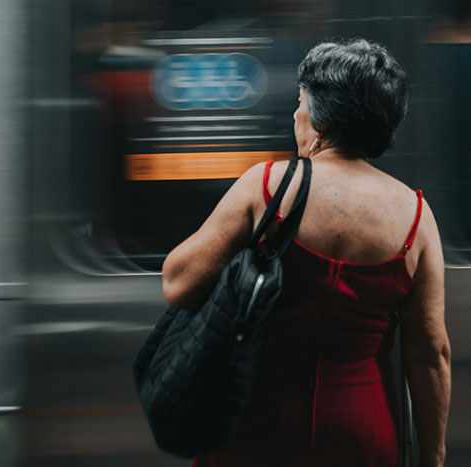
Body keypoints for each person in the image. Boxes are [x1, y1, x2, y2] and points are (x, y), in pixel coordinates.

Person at [162, 38, 451, 467]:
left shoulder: (267, 187)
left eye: (301, 103)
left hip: (254, 424)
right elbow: (430, 354)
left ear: (322, 120)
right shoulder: (415, 216)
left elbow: (178, 283)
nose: (296, 115)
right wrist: (433, 457)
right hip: (362, 430)